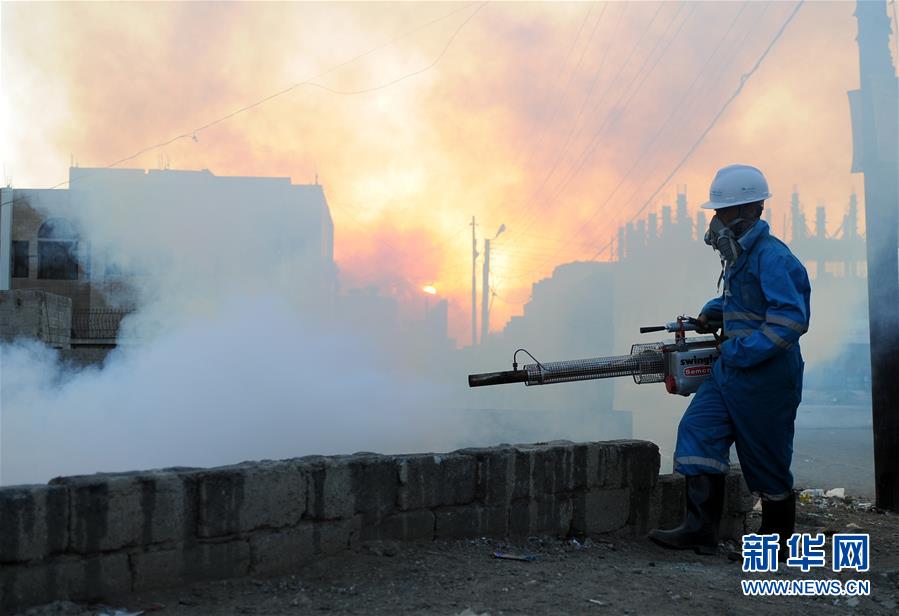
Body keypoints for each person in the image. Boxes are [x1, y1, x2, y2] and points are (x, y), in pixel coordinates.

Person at [648, 164, 811, 555]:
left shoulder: (773, 257)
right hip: (730, 374)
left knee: (766, 458)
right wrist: (710, 313)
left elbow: (789, 321)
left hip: (766, 379)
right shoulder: (739, 256)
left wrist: (736, 350)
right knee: (698, 431)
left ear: (748, 210)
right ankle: (699, 529)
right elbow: (741, 303)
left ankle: (777, 543)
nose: (716, 221)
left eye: (722, 212)